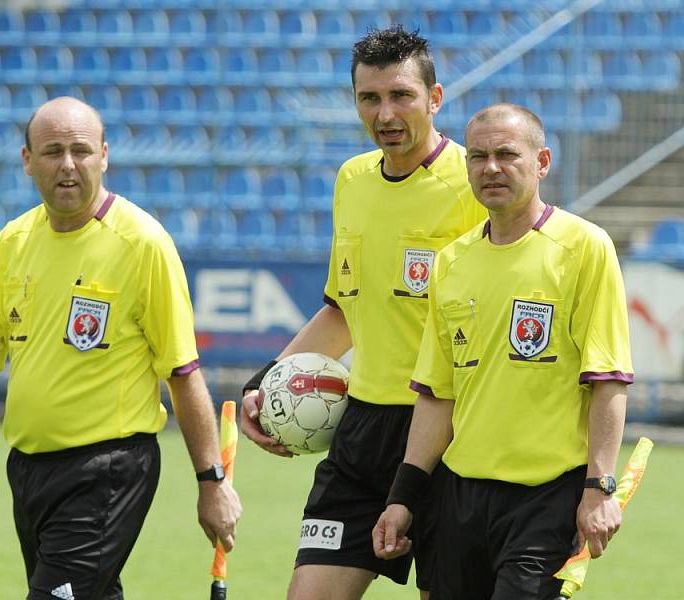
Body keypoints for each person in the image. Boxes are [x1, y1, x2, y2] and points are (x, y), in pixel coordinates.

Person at [0, 96, 242, 600]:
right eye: (52, 152)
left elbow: (182, 372)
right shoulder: (13, 241)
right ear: (27, 161)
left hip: (107, 469)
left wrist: (212, 482)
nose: (68, 165)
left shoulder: (143, 244)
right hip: (26, 468)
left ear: (104, 156)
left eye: (81, 150)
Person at [240, 26, 488, 600]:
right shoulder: (352, 179)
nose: (386, 113)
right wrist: (264, 384)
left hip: (450, 434)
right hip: (362, 429)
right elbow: (343, 310)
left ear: (436, 97)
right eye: (369, 98)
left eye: (401, 95)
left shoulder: (475, 184)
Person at [373, 103, 634, 599]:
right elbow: (437, 393)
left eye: (507, 154)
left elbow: (608, 377)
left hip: (546, 496)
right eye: (477, 156)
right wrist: (403, 497)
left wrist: (598, 488)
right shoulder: (451, 262)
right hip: (457, 494)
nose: (490, 167)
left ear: (542, 163)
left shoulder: (585, 247)